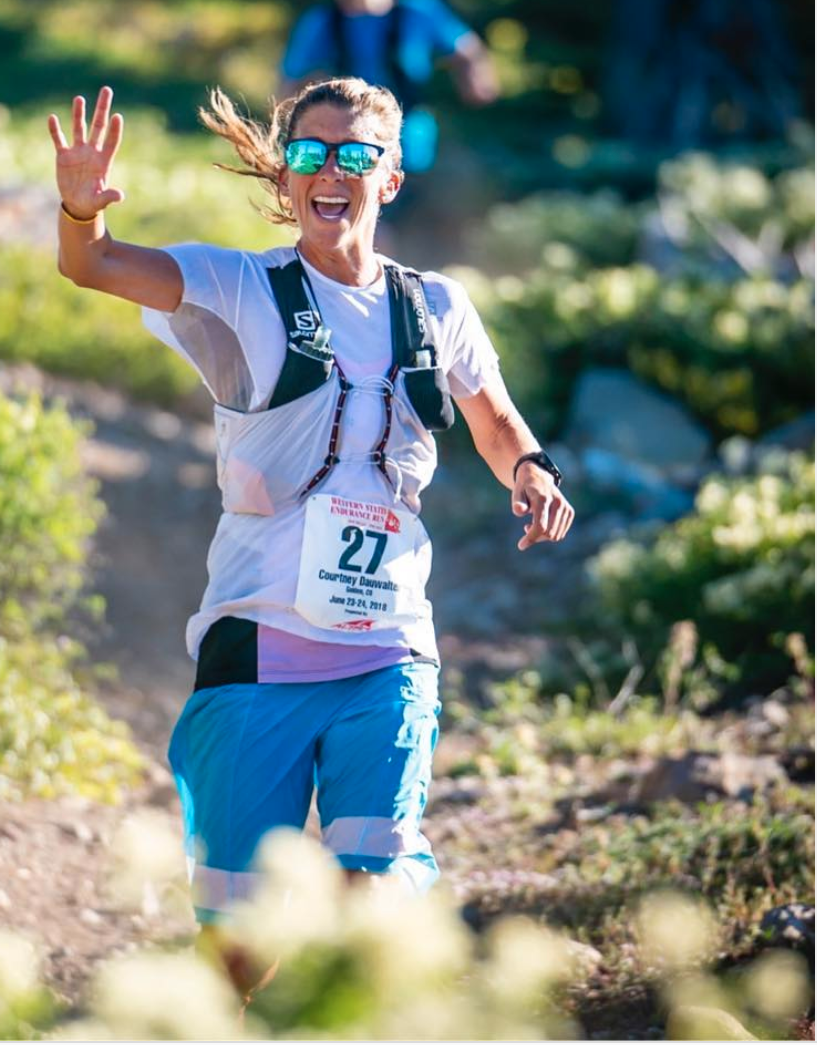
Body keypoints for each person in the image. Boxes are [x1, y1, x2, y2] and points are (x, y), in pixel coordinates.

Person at [47, 78, 572, 979]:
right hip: (256, 646)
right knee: (236, 952)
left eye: (356, 154)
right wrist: (79, 211)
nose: (331, 170)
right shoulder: (235, 284)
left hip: (388, 647)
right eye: (309, 153)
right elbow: (91, 268)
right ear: (286, 177)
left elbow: (493, 418)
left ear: (392, 177)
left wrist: (531, 470)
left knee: (370, 899)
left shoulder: (438, 306)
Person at [280, 0, 500, 174]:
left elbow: (468, 54)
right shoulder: (321, 22)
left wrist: (476, 90)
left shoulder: (418, 10)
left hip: (414, 152)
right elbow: (286, 90)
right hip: (352, 158)